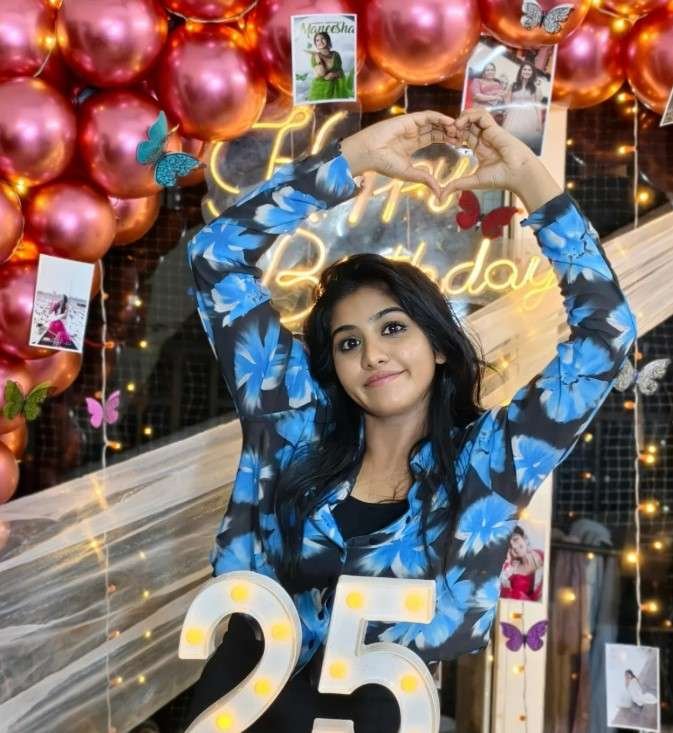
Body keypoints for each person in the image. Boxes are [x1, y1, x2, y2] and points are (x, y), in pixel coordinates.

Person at [183, 109, 637, 731]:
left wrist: (529, 178)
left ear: (439, 346)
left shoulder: (489, 464)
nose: (372, 354)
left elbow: (606, 335)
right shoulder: (291, 425)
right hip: (233, 715)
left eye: (393, 328)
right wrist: (355, 158)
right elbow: (215, 255)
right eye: (348, 342)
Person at [502, 62, 544, 153]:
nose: (526, 71)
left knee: (524, 146)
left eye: (529, 70)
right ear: (521, 71)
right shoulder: (513, 85)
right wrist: (506, 113)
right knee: (509, 142)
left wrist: (540, 123)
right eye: (524, 69)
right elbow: (508, 102)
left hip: (530, 118)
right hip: (513, 117)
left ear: (532, 73)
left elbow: (538, 107)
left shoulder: (536, 88)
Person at [500, 525, 544, 601]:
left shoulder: (540, 555)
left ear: (524, 538)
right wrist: (508, 560)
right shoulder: (512, 570)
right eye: (509, 546)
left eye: (515, 539)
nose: (514, 546)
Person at [306, 31, 353, 101]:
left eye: (322, 38)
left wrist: (334, 74)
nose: (320, 42)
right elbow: (321, 73)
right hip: (321, 87)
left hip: (337, 86)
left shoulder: (336, 54)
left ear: (327, 40)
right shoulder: (315, 57)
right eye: (317, 40)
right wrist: (317, 56)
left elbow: (340, 71)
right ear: (315, 43)